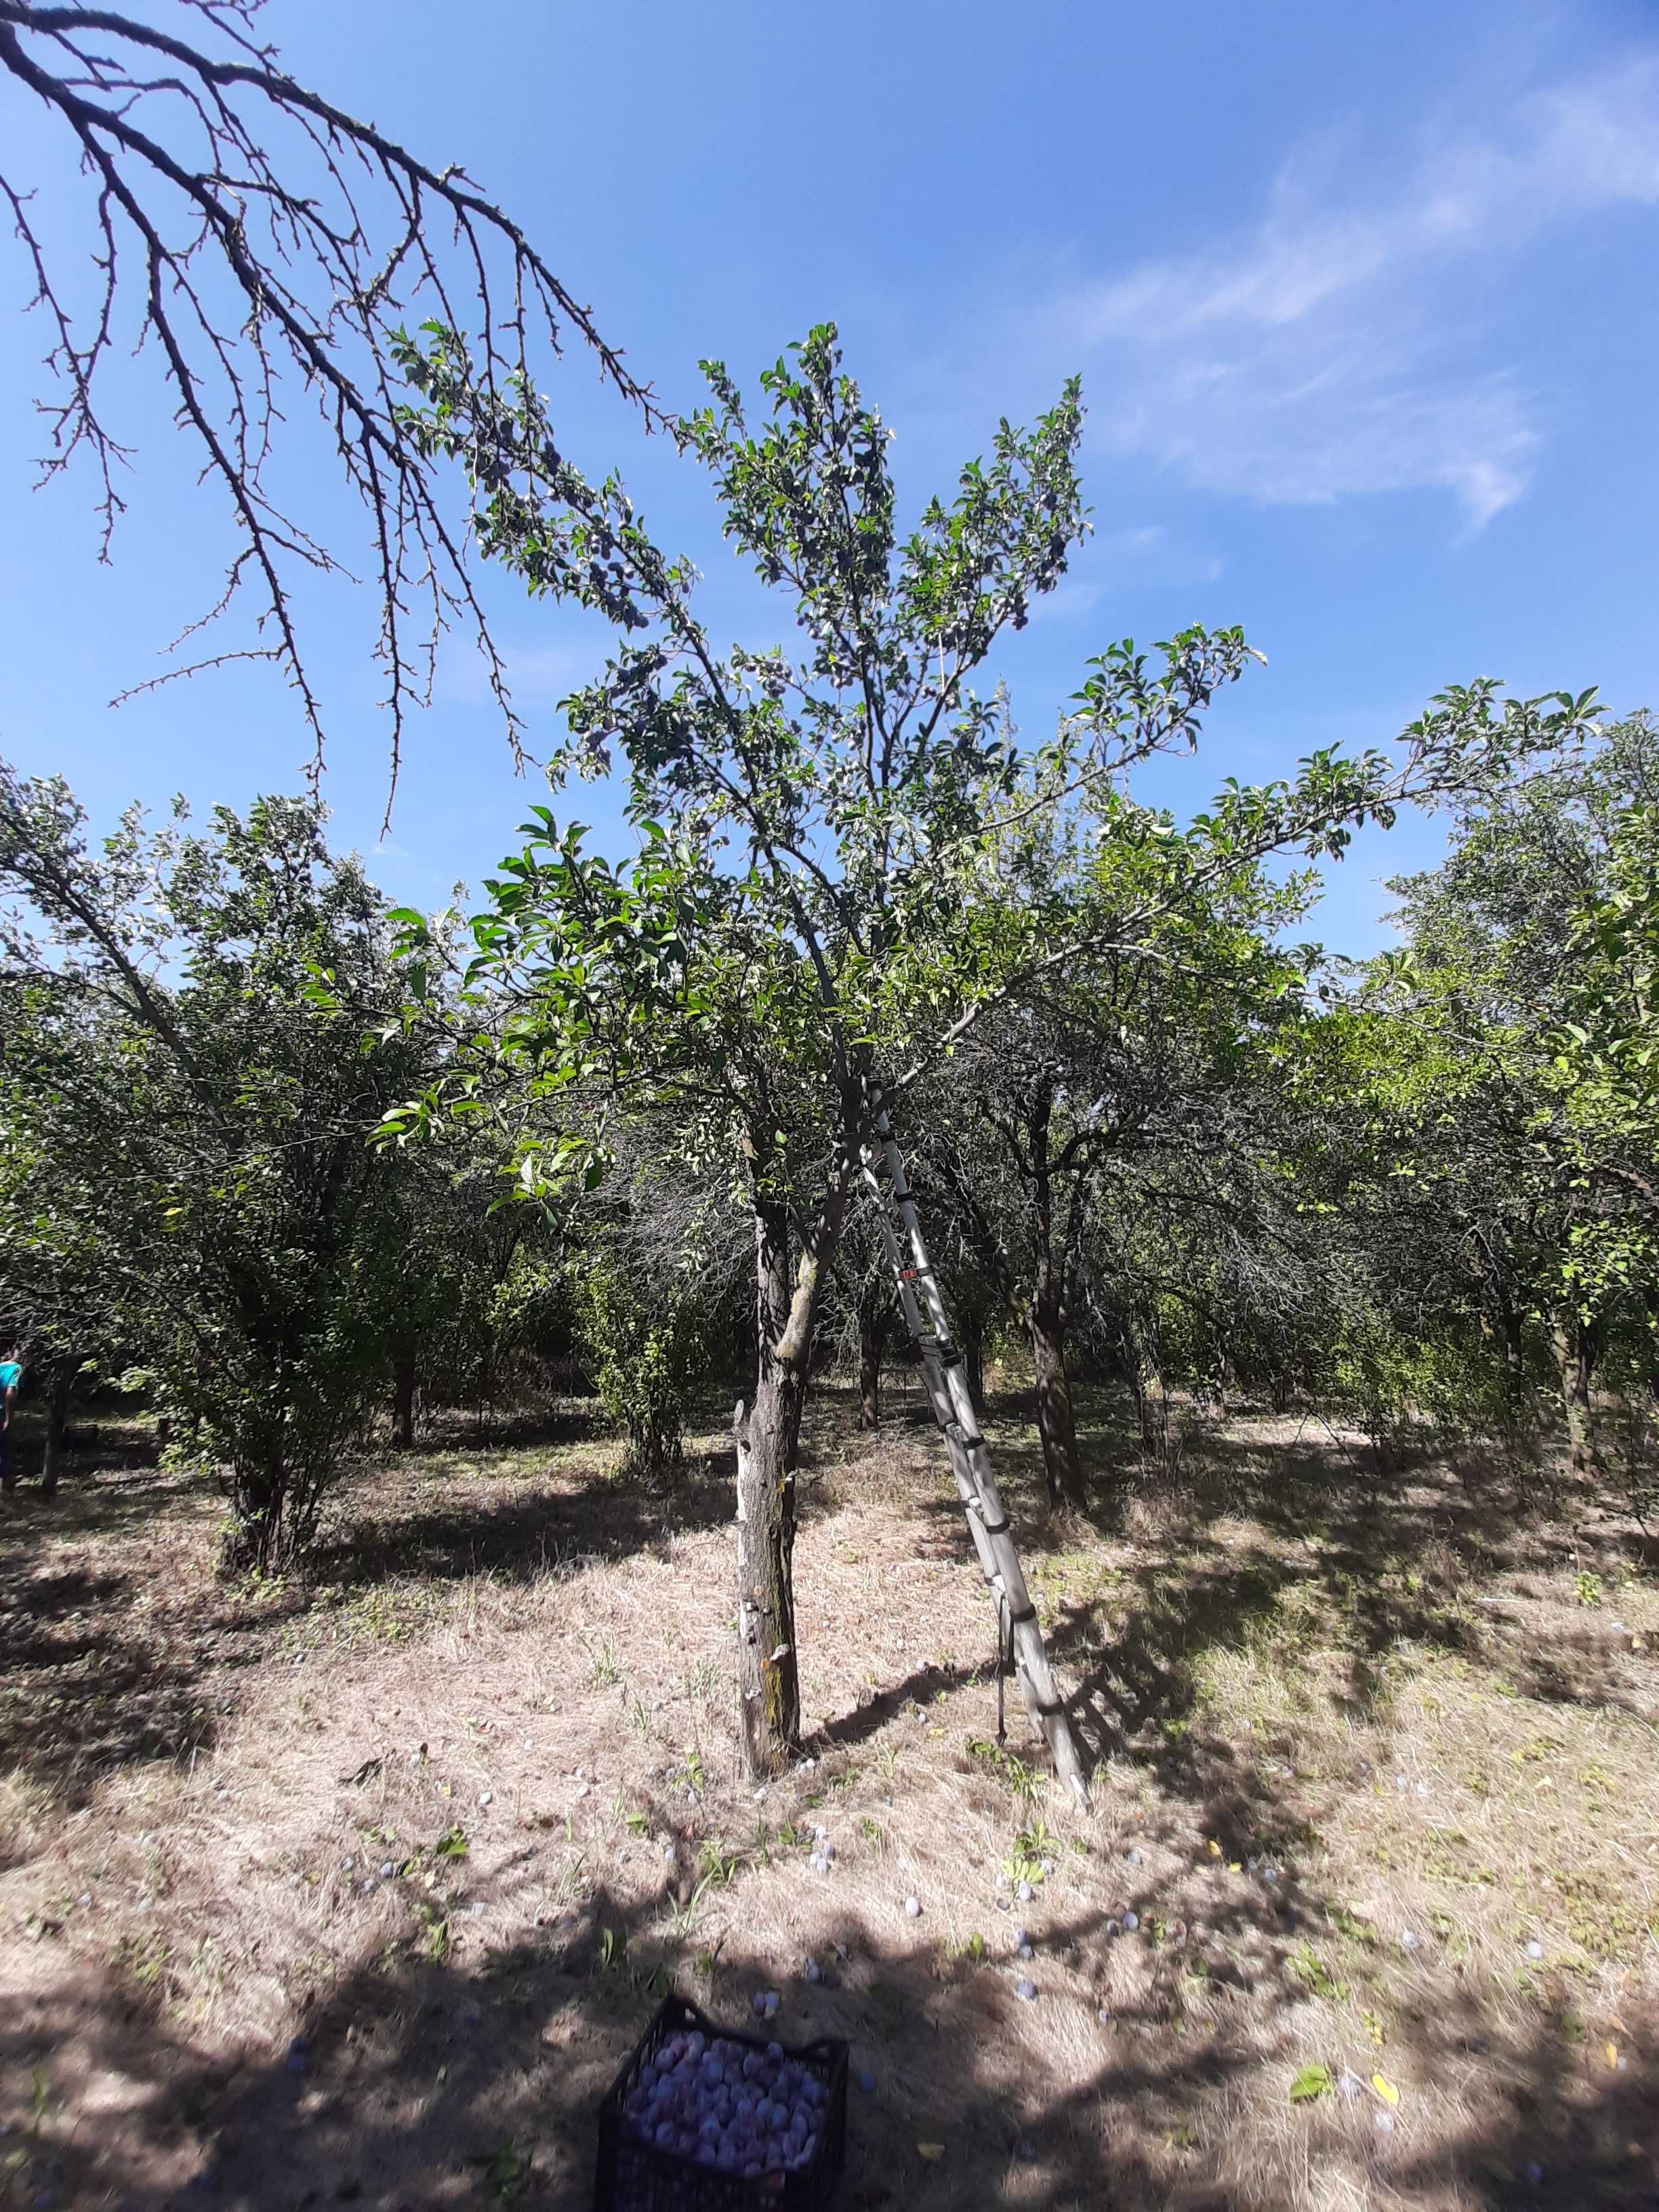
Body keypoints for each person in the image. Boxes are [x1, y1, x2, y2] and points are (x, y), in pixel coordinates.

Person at [0, 1345, 21, 1493]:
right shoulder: (16, 1368)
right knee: (5, 1446)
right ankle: (7, 1483)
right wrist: (9, 1417)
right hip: (1, 1412)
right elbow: (10, 1392)